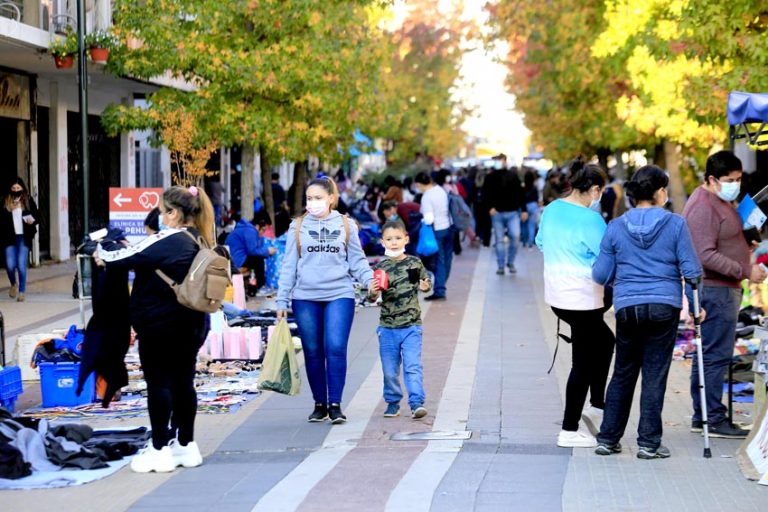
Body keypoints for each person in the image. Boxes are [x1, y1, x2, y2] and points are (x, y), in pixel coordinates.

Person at [96, 185, 216, 473]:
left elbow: (118, 259)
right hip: (194, 324)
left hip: (161, 325)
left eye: (163, 211)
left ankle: (160, 447)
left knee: (160, 384)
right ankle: (185, 445)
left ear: (173, 213)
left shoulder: (169, 239)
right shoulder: (200, 238)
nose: (160, 217)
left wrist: (103, 246)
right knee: (184, 383)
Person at [592, 166, 702, 459]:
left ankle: (608, 438)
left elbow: (601, 274)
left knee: (623, 372)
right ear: (659, 192)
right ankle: (648, 443)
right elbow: (690, 270)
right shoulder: (675, 224)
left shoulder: (615, 226)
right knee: (654, 374)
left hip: (628, 307)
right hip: (664, 305)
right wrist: (696, 305)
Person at [276, 176, 376, 424]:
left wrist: (370, 280)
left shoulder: (346, 225)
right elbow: (289, 265)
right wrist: (281, 300)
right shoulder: (297, 226)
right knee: (312, 350)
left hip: (339, 294)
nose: (313, 203)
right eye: (309, 199)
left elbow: (357, 260)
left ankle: (335, 404)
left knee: (335, 347)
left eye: (318, 198)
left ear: (331, 198)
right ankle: (319, 403)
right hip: (305, 297)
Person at [682, 150, 766, 439]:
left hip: (722, 289)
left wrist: (745, 244)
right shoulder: (704, 206)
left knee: (709, 355)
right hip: (715, 290)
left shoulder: (720, 200)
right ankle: (712, 417)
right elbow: (704, 255)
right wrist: (745, 270)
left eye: (739, 179)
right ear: (711, 179)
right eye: (730, 180)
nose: (736, 184)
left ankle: (704, 415)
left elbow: (722, 239)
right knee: (715, 356)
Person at [535, 158, 615, 448]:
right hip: (582, 298)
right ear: (593, 189)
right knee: (583, 361)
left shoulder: (552, 209)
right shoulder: (592, 219)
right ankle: (569, 430)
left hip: (557, 295)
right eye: (601, 191)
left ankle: (597, 406)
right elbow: (606, 257)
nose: (600, 197)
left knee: (605, 342)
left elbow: (541, 242)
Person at [369, 220, 432, 419]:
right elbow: (374, 296)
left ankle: (416, 403)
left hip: (412, 326)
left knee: (413, 366)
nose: (394, 242)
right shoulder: (381, 266)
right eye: (389, 239)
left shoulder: (414, 262)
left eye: (397, 238)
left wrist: (426, 287)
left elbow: (425, 282)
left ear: (406, 238)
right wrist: (372, 292)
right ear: (382, 242)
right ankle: (392, 402)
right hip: (388, 327)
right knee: (390, 370)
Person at [484, 163, 528, 274]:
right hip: (497, 213)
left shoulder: (513, 176)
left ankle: (510, 261)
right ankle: (501, 265)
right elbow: (486, 193)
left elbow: (521, 193)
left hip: (512, 212)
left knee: (515, 236)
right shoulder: (490, 176)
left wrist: (524, 209)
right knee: (499, 240)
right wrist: (489, 207)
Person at [414, 171, 452, 301]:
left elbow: (429, 219)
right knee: (446, 259)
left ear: (419, 184)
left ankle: (440, 290)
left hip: (437, 230)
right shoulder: (440, 190)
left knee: (439, 261)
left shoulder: (426, 197)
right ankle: (441, 283)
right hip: (448, 226)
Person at [1, 178, 39, 302]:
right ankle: (13, 284)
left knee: (21, 264)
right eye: (14, 188)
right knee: (10, 265)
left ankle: (22, 291)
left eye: (18, 188)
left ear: (22, 188)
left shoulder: (28, 201)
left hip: (23, 237)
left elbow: (37, 217)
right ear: (10, 189)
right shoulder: (5, 201)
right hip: (9, 238)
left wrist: (31, 220)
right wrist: (8, 210)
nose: (16, 190)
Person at [225, 213, 277, 290]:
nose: (263, 233)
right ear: (257, 226)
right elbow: (252, 251)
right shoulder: (250, 231)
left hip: (236, 257)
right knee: (258, 260)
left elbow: (256, 247)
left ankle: (256, 285)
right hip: (236, 260)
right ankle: (260, 287)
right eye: (263, 230)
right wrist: (268, 252)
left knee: (258, 258)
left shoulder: (247, 229)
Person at [521, 170, 540, 248]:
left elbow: (521, 198)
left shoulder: (522, 187)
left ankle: (524, 241)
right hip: (533, 205)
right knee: (531, 225)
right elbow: (537, 198)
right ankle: (530, 242)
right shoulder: (534, 188)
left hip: (524, 206)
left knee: (523, 224)